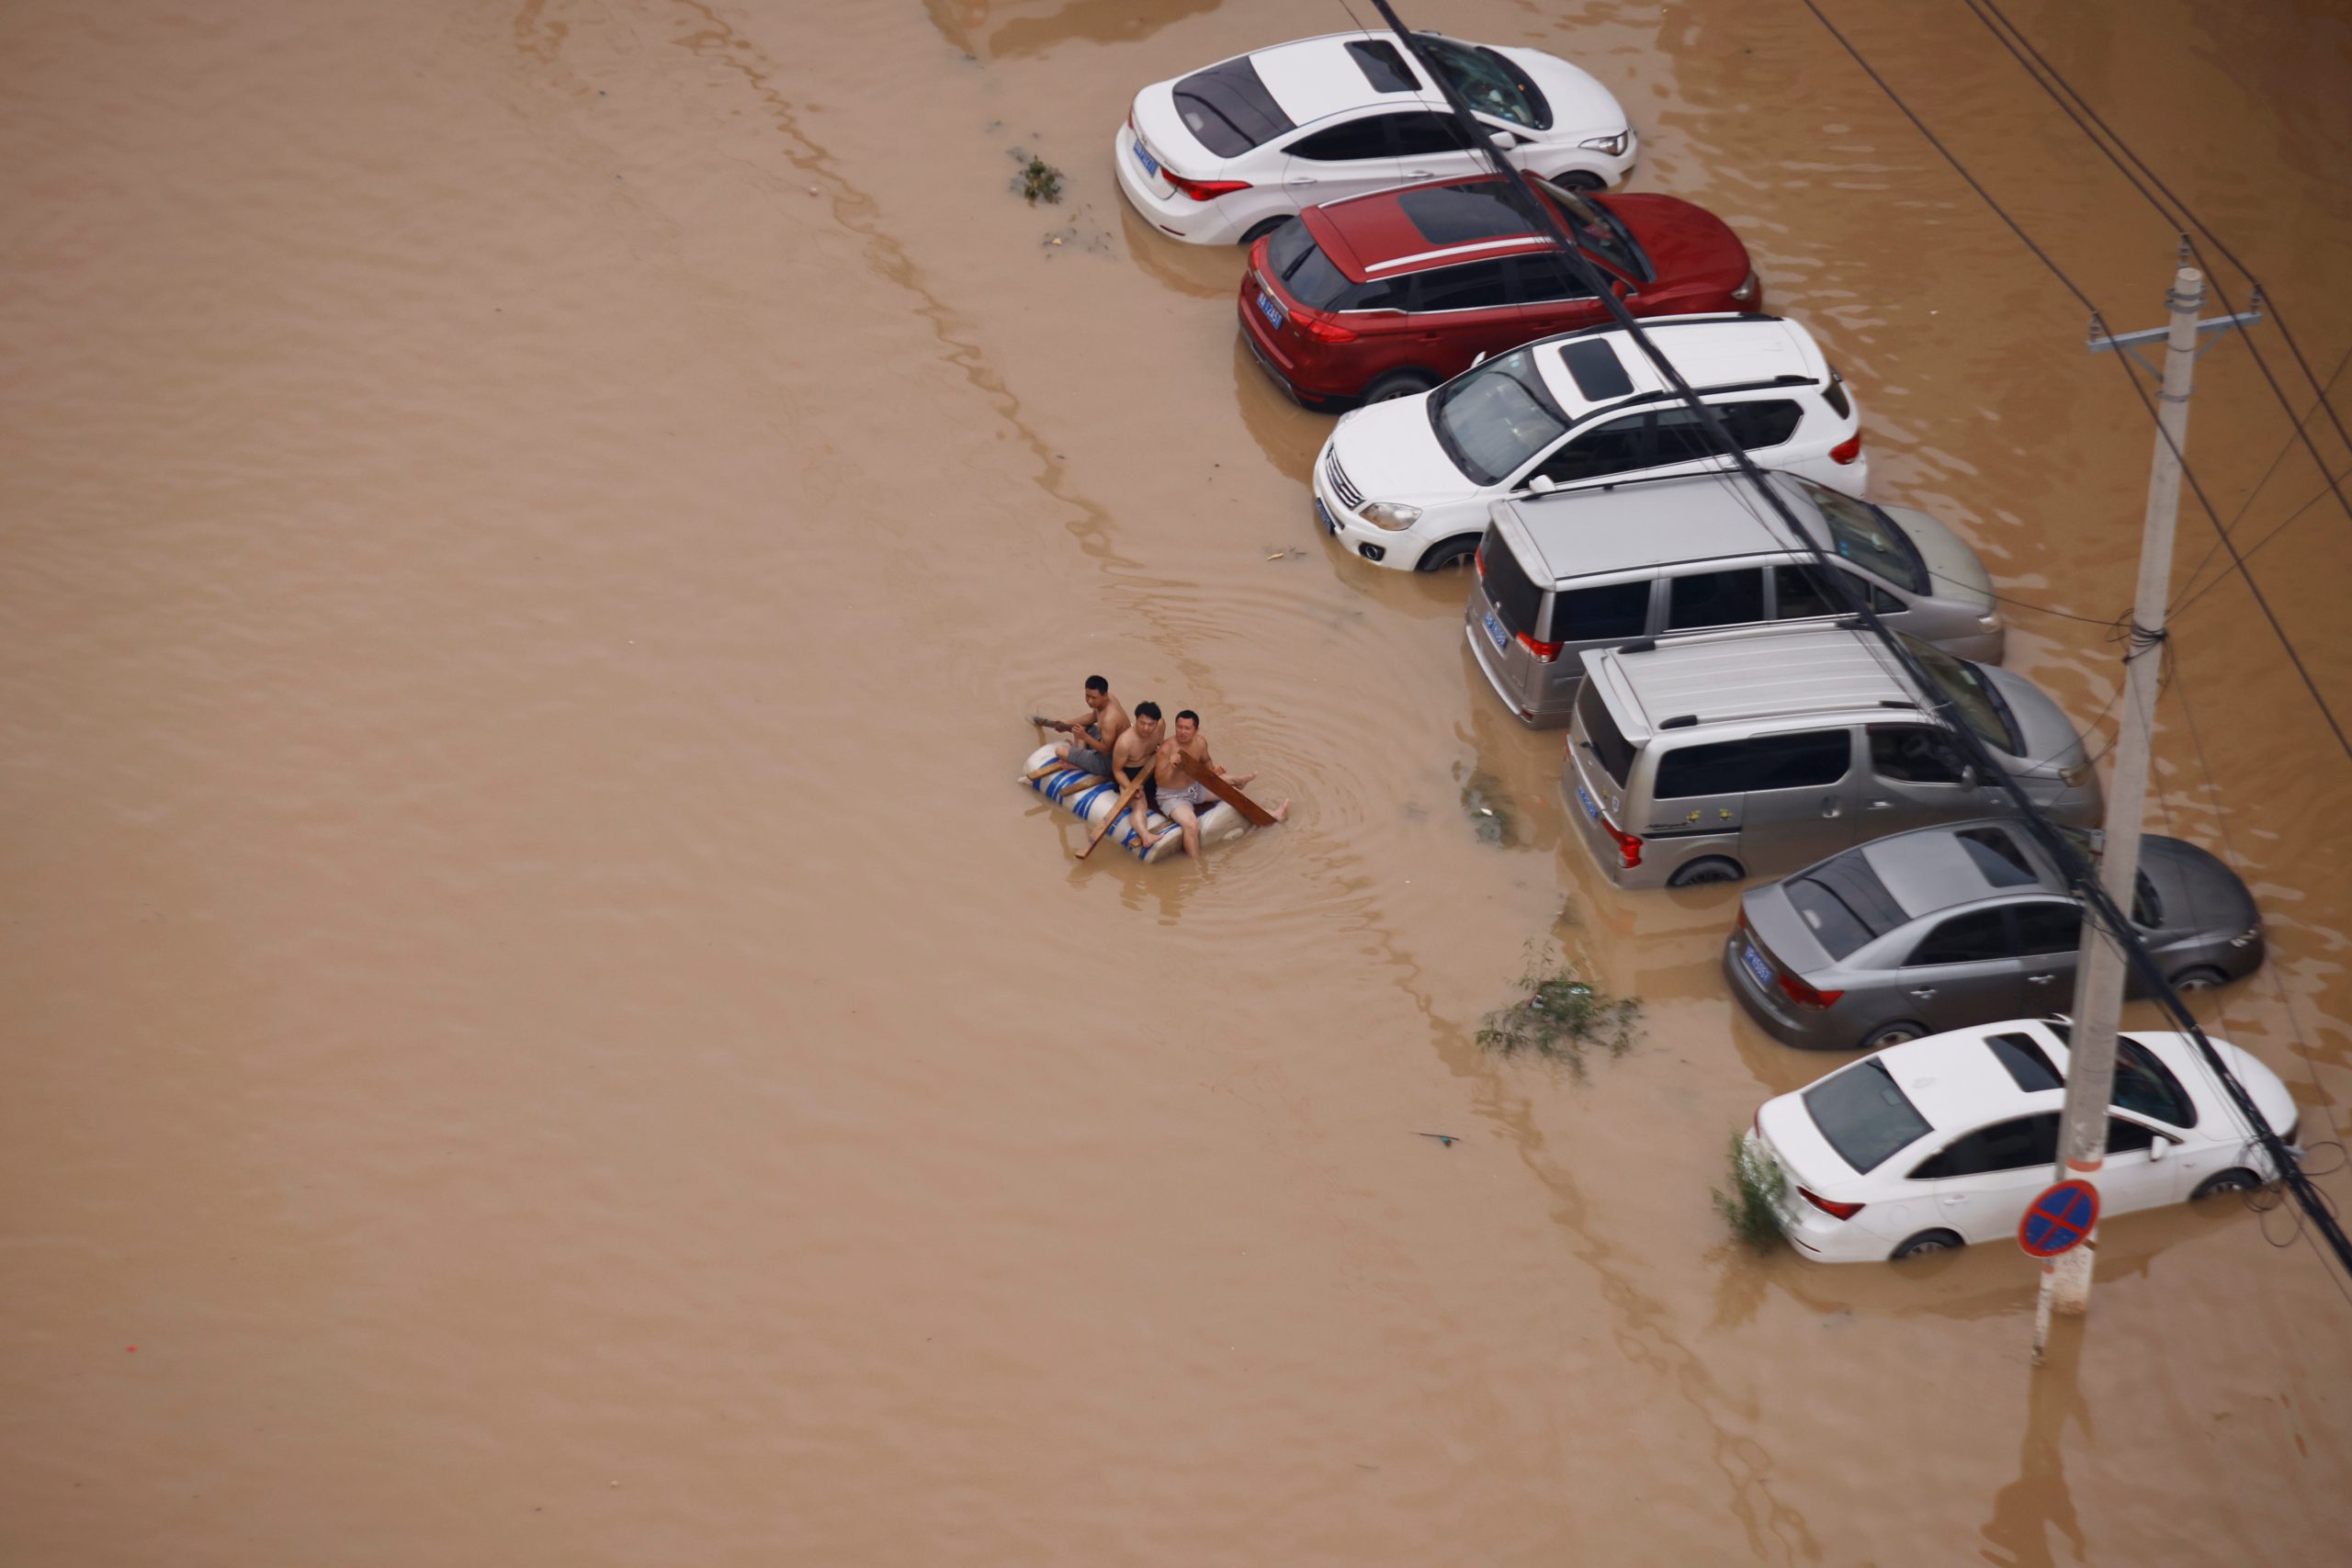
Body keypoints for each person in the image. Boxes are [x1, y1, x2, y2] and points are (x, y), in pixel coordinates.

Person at [1145, 708, 1290, 860]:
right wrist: (1172, 767)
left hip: (1195, 787)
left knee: (1232, 794)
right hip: (1172, 796)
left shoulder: (1200, 743)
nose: (1182, 732)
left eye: (1187, 728)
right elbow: (1160, 780)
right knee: (1191, 825)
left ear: (1196, 730)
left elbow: (1206, 761)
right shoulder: (1166, 749)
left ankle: (1273, 814)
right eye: (1179, 727)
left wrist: (1213, 772)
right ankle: (1195, 863)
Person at [1029, 675, 1128, 780]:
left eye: (1094, 698)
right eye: (1087, 696)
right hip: (1107, 744)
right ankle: (1080, 753)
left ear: (1104, 695)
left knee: (1060, 751)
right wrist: (1066, 723)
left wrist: (1084, 736)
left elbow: (1106, 750)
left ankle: (1078, 764)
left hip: (1109, 762)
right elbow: (1093, 717)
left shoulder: (1109, 719)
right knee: (1078, 726)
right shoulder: (1108, 699)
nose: (1089, 701)